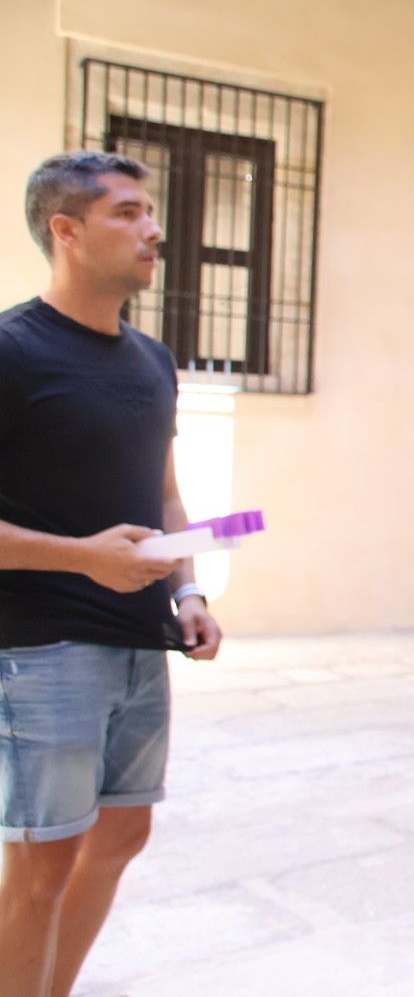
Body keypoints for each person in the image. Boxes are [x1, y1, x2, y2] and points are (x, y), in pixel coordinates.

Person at [0, 151, 223, 997]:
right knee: (40, 869)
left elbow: (163, 494)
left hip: (142, 644)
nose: (154, 229)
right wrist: (83, 558)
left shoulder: (151, 361)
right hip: (42, 649)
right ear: (66, 230)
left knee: (121, 839)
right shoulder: (12, 350)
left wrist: (188, 589)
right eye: (128, 212)